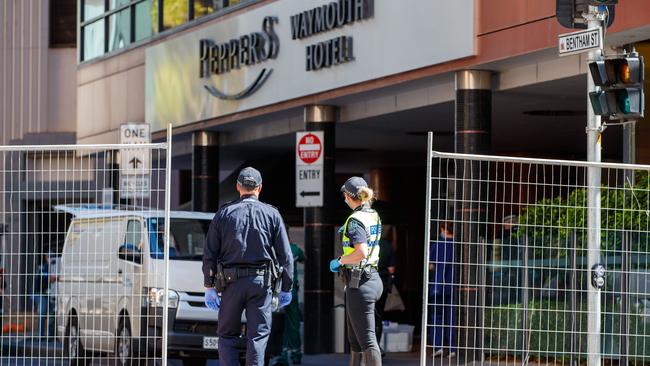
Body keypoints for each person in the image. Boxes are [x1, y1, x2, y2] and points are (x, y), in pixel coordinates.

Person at [202, 167, 294, 366]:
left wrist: (209, 286)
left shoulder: (224, 213)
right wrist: (286, 288)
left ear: (237, 187)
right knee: (258, 337)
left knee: (227, 335)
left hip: (230, 283)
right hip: (261, 284)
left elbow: (210, 253)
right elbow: (285, 256)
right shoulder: (272, 214)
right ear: (259, 188)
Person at [329, 177, 383, 366]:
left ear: (348, 196)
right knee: (355, 339)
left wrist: (340, 260)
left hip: (361, 283)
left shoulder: (355, 221)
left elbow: (361, 252)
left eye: (344, 195)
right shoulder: (372, 214)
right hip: (371, 279)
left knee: (367, 340)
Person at [274, 230, 305, 366]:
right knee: (294, 323)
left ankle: (282, 356)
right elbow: (304, 258)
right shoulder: (295, 250)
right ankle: (296, 354)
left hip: (278, 292)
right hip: (292, 291)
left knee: (280, 323)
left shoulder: (274, 250)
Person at [428, 222, 456, 358]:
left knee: (437, 317)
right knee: (451, 318)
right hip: (453, 287)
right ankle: (452, 349)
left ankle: (438, 347)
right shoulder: (458, 245)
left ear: (443, 229)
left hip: (437, 286)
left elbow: (431, 266)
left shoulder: (437, 245)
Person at [375, 226, 396, 355]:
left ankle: (365, 348)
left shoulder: (364, 243)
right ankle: (376, 345)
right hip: (381, 283)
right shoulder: (387, 245)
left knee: (364, 316)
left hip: (365, 283)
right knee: (379, 315)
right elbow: (392, 269)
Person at [33, 253, 57, 338]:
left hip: (50, 294)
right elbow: (41, 279)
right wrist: (49, 279)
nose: (52, 258)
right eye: (50, 256)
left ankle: (51, 336)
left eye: (53, 256)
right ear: (46, 257)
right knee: (42, 314)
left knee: (52, 314)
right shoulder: (44, 267)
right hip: (41, 293)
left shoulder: (55, 267)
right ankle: (40, 335)